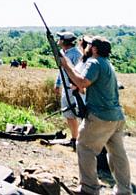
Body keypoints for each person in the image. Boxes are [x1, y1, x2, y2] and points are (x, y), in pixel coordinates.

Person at [59, 36, 131, 195]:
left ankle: (89, 189)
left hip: (100, 117)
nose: (86, 46)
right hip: (116, 117)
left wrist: (65, 64)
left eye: (89, 45)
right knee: (117, 154)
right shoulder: (107, 64)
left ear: (94, 49)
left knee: (84, 147)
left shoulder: (94, 62)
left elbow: (82, 82)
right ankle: (124, 190)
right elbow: (86, 86)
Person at [55, 31, 83, 148]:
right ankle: (74, 138)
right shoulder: (63, 53)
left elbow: (78, 71)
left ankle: (77, 140)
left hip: (73, 88)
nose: (59, 40)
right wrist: (58, 83)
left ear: (64, 41)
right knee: (69, 114)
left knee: (75, 113)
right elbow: (61, 70)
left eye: (60, 38)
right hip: (66, 88)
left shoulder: (76, 54)